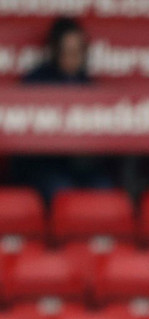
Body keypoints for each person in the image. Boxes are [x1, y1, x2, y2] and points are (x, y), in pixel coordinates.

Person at [16, 17, 116, 201]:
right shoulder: (35, 82)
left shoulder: (88, 84)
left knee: (104, 190)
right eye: (68, 51)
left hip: (82, 166)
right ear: (55, 50)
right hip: (44, 165)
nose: (74, 57)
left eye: (79, 51)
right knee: (62, 190)